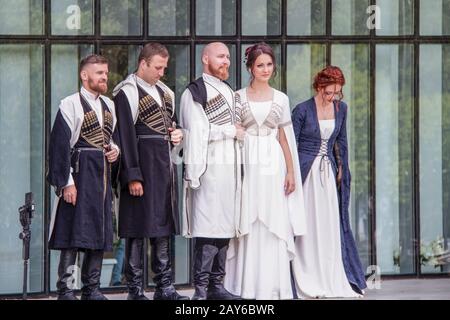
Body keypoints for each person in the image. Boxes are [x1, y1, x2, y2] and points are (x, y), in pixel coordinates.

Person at [223, 42, 307, 300]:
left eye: (269, 64)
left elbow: (285, 139)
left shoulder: (281, 98)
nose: (265, 69)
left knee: (273, 222)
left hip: (273, 164)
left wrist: (291, 172)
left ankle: (273, 288)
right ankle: (244, 287)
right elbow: (232, 134)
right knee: (248, 217)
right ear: (250, 67)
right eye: (260, 65)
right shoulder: (236, 97)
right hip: (247, 161)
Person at [112, 43, 188, 300]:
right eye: (157, 67)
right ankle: (134, 289)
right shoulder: (127, 92)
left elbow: (172, 127)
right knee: (136, 228)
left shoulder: (166, 93)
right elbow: (124, 136)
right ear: (143, 63)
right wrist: (132, 175)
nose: (161, 73)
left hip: (164, 169)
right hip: (141, 169)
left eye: (164, 68)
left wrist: (178, 134)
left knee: (162, 227)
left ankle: (163, 287)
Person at [48, 54, 120, 300]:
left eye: (106, 73)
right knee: (72, 236)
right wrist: (66, 183)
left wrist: (114, 150)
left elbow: (112, 139)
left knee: (98, 234)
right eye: (99, 73)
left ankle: (92, 289)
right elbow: (59, 146)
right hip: (79, 177)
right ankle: (66, 290)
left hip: (101, 178)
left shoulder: (109, 105)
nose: (104, 77)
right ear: (84, 75)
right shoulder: (70, 104)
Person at [291, 66, 367, 298]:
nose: (332, 97)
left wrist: (342, 169)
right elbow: (291, 147)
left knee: (329, 225)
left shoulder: (341, 109)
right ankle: (307, 276)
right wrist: (290, 175)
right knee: (308, 225)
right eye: (328, 92)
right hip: (306, 173)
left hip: (328, 176)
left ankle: (332, 276)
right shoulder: (302, 110)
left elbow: (341, 142)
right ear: (319, 87)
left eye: (337, 93)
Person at [180, 42, 244, 300]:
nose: (226, 61)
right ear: (205, 58)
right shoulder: (194, 91)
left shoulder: (229, 90)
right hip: (207, 170)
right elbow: (195, 131)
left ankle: (217, 286)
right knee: (208, 228)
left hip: (230, 170)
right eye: (220, 56)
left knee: (225, 228)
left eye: (228, 57)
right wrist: (229, 131)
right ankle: (201, 289)